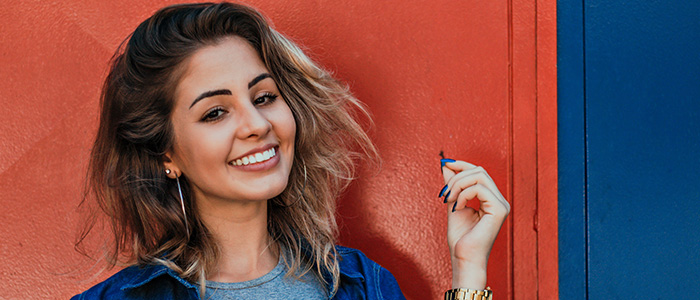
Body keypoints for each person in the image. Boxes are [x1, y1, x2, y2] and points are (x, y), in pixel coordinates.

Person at [72, 2, 510, 300]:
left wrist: (468, 271)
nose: (258, 125)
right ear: (165, 153)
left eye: (263, 97)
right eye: (215, 113)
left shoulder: (362, 286)